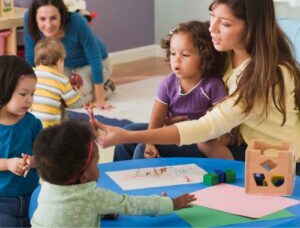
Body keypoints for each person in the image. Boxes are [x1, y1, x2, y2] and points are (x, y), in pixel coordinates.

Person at [96, 0, 300, 176]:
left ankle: (141, 206)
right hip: (233, 140)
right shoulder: (227, 54)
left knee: (142, 147)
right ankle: (113, 201)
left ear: (252, 27)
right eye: (212, 16)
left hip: (269, 161)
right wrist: (141, 130)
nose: (212, 28)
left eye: (225, 24)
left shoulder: (269, 74)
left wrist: (127, 135)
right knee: (130, 139)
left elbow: (207, 127)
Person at [31, 120, 196, 227]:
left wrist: (100, 212)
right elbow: (130, 204)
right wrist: (170, 203)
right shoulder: (92, 196)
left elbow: (69, 212)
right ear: (84, 176)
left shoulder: (48, 187)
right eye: (96, 163)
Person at [114, 21, 234, 161]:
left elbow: (225, 121)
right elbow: (157, 118)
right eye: (172, 53)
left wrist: (148, 144)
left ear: (205, 57)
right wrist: (150, 142)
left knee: (142, 149)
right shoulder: (168, 84)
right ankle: (115, 179)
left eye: (185, 55)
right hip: (173, 131)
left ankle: (136, 182)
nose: (176, 60)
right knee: (127, 132)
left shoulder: (212, 85)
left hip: (198, 138)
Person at [23, 0, 115, 110]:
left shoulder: (77, 22)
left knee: (72, 100)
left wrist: (100, 99)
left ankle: (106, 87)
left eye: (53, 18)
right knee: (53, 94)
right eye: (43, 19)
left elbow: (95, 58)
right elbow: (30, 58)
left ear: (61, 14)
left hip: (93, 64)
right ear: (35, 17)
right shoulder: (28, 20)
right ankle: (93, 88)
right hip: (63, 66)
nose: (48, 25)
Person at [0, 55, 43, 227]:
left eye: (32, 94)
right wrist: (8, 164)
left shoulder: (33, 123)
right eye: (23, 94)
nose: (29, 100)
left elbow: (46, 156)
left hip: (33, 197)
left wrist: (32, 161)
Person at [30, 38, 81, 128]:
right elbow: (75, 104)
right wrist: (76, 91)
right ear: (59, 62)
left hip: (30, 126)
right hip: (51, 130)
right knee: (63, 109)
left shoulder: (30, 74)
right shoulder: (62, 80)